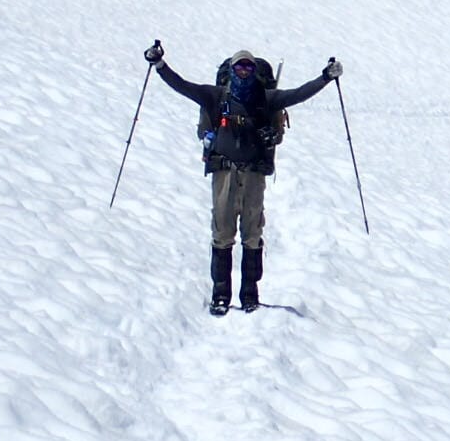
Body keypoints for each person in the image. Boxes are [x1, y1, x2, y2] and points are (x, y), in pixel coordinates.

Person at [144, 44, 341, 314]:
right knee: (222, 233)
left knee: (252, 234)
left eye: (249, 67)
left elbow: (298, 95)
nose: (244, 71)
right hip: (224, 173)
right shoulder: (215, 96)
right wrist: (159, 65)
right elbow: (182, 85)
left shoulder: (266, 98)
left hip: (252, 175)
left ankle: (250, 295)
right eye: (240, 67)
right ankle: (220, 295)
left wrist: (325, 78)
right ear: (232, 70)